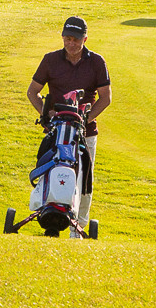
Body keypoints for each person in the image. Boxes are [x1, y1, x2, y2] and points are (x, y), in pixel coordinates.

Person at [27, 16, 111, 232]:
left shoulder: (96, 62)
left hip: (85, 133)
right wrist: (48, 114)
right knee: (49, 169)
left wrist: (85, 119)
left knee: (83, 179)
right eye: (67, 38)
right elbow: (33, 92)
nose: (71, 43)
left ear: (85, 39)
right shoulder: (50, 60)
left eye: (75, 39)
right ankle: (48, 215)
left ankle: (79, 227)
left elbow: (105, 98)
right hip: (57, 131)